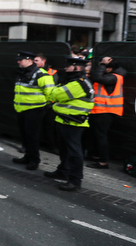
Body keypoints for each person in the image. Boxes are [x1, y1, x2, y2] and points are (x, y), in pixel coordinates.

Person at [44, 57, 95, 191]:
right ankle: (63, 171)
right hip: (63, 120)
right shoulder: (73, 81)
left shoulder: (78, 84)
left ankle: (75, 180)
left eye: (68, 67)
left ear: (76, 68)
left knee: (74, 152)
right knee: (64, 150)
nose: (65, 68)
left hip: (73, 123)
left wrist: (55, 90)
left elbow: (55, 95)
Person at [12, 51, 55, 170]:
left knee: (32, 136)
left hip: (35, 110)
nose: (18, 61)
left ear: (28, 60)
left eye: (20, 60)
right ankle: (27, 157)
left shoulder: (41, 74)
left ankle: (34, 160)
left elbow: (51, 92)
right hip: (22, 109)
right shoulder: (21, 73)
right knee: (25, 136)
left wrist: (45, 106)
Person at [87, 56, 126, 169]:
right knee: (97, 135)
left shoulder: (113, 77)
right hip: (101, 110)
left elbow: (97, 77)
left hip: (105, 110)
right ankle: (96, 156)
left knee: (101, 136)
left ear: (109, 68)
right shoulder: (114, 76)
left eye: (105, 67)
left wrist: (103, 64)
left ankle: (103, 162)